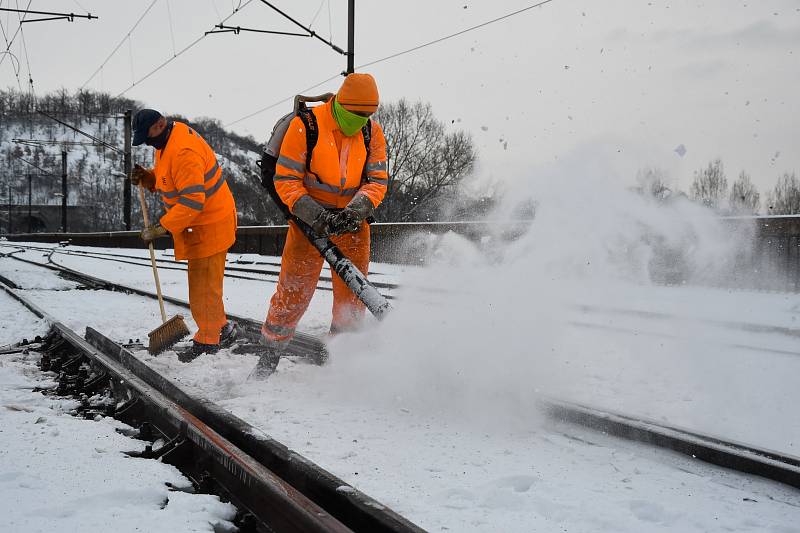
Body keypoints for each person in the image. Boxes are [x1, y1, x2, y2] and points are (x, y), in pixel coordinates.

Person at [254, 73, 389, 379]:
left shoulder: (372, 133)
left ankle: (343, 361)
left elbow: (377, 182)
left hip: (352, 224)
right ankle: (269, 357)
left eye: (368, 115)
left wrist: (354, 212)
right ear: (340, 104)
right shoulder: (306, 126)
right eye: (356, 114)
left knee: (352, 298)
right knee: (293, 292)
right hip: (308, 222)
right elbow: (286, 180)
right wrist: (317, 216)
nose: (361, 121)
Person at [129, 109, 238, 361]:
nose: (147, 142)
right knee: (205, 286)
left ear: (160, 124)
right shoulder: (167, 140)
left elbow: (192, 201)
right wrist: (148, 177)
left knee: (203, 290)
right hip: (200, 224)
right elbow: (169, 176)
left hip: (210, 224)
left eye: (148, 136)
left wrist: (162, 227)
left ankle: (208, 343)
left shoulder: (183, 151)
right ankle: (222, 328)